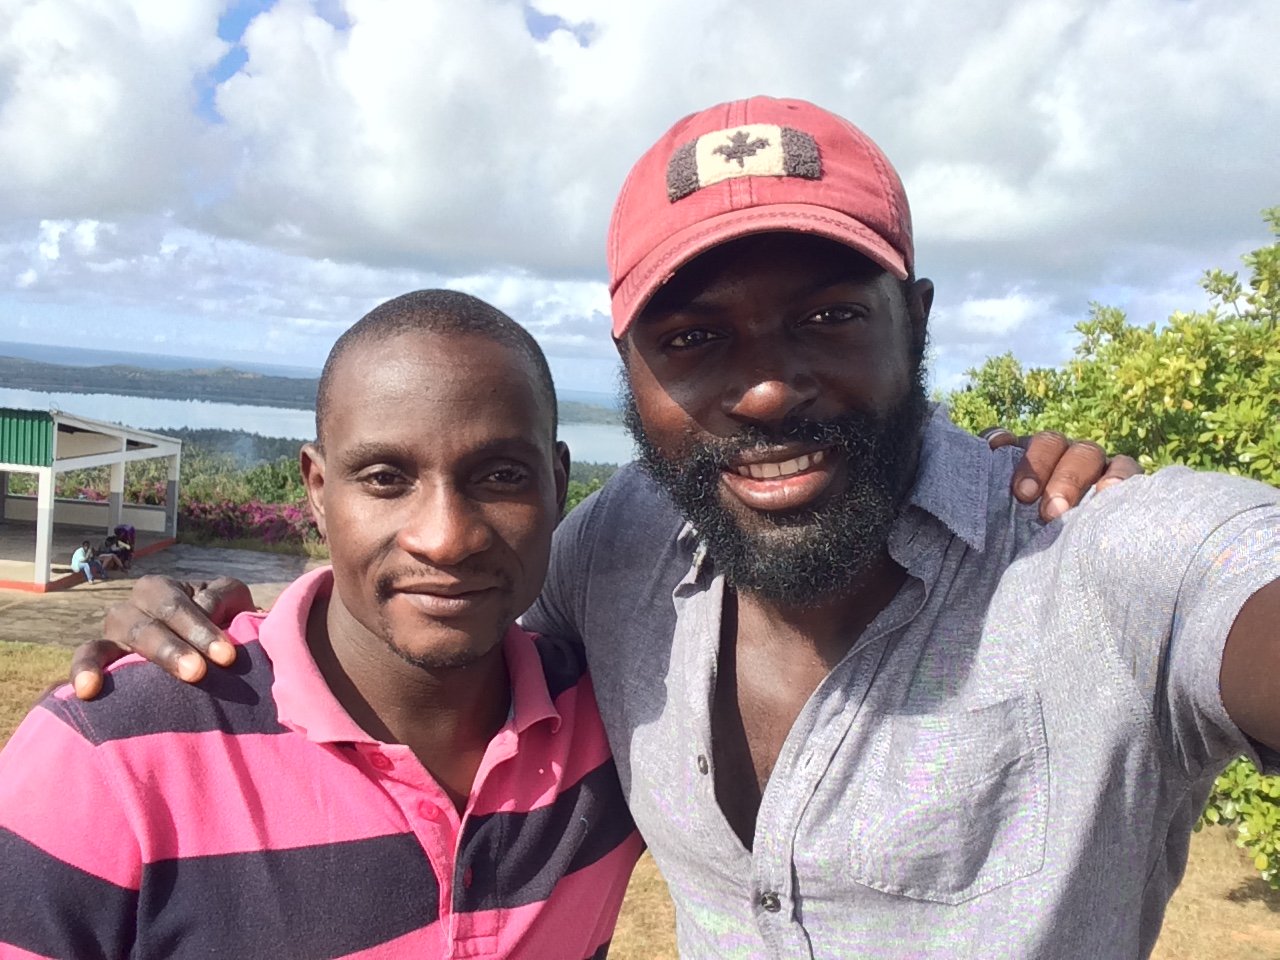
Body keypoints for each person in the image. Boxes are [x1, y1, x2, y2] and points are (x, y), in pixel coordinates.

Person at [70, 96, 1257, 960]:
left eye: (829, 314)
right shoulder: (617, 551)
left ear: (916, 322)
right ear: (630, 371)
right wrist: (215, 644)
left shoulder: (1096, 557)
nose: (760, 391)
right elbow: (435, 609)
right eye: (690, 339)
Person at [0, 291, 640, 959]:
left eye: (502, 476)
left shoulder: (617, 727)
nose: (446, 539)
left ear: (557, 485)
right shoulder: (111, 754)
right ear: (317, 490)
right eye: (387, 478)